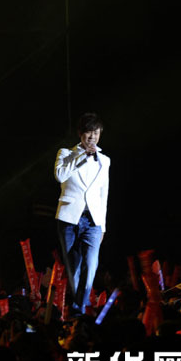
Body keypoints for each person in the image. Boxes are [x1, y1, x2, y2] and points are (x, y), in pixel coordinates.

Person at [54, 112, 110, 315]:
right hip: (69, 218)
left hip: (93, 220)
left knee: (91, 265)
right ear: (81, 133)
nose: (92, 137)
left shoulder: (105, 160)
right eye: (89, 132)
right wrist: (81, 157)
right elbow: (60, 176)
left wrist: (103, 226)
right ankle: (79, 310)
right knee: (74, 268)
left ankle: (79, 307)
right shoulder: (65, 153)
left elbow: (103, 194)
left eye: (96, 132)